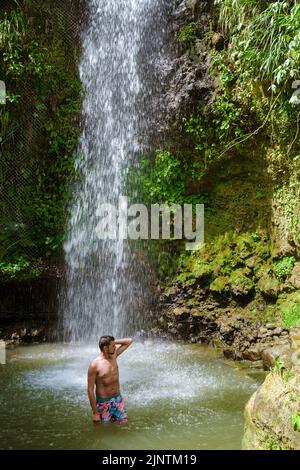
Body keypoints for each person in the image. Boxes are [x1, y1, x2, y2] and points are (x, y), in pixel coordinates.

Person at [87, 335, 133, 424]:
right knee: (104, 430)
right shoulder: (94, 365)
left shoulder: (114, 356)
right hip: (104, 404)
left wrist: (112, 342)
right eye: (112, 346)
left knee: (123, 426)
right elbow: (90, 390)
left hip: (118, 400)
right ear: (105, 348)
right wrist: (95, 412)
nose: (115, 347)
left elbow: (129, 341)